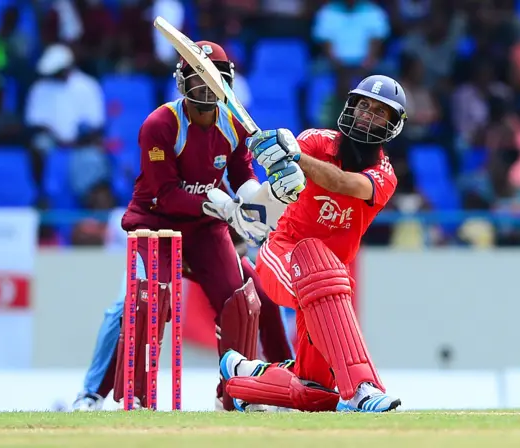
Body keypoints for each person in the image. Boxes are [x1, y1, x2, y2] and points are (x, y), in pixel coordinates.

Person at [72, 41, 295, 411]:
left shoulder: (234, 124)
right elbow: (164, 193)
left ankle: (241, 393)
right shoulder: (161, 124)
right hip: (155, 225)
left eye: (214, 79)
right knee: (142, 303)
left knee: (244, 299)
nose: (207, 88)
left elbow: (242, 175)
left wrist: (262, 199)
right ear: (183, 81)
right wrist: (223, 205)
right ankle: (97, 393)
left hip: (205, 229)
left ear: (227, 83)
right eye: (199, 78)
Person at [208, 74, 408, 412]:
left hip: (329, 282)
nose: (367, 114)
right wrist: (277, 154)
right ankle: (363, 387)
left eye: (379, 111)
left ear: (393, 125)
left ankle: (242, 376)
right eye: (363, 105)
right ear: (350, 107)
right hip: (283, 252)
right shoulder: (316, 140)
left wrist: (295, 158)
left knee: (316, 393)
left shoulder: (385, 174)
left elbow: (343, 182)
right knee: (319, 263)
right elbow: (290, 163)